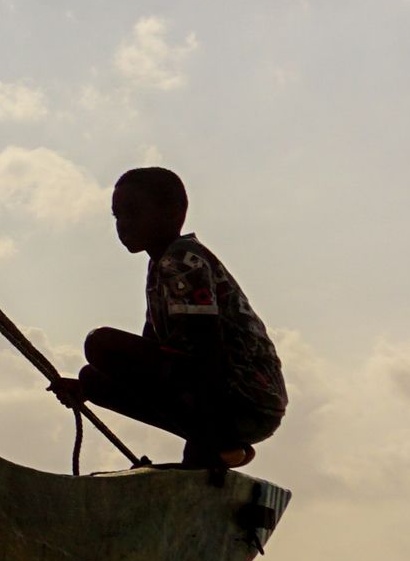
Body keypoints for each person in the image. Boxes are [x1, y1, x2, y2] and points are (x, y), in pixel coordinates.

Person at [57, 166, 286, 470]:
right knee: (92, 379)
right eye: (117, 216)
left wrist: (198, 449)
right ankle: (225, 447)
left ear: (173, 213)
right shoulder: (160, 268)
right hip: (229, 399)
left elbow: (208, 352)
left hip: (244, 396)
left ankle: (210, 445)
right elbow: (152, 351)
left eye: (133, 213)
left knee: (100, 344)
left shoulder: (182, 259)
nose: (123, 225)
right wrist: (87, 390)